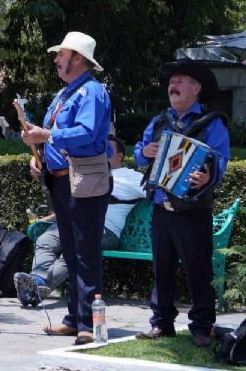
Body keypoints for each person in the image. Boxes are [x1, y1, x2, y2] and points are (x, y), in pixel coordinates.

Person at [21, 31, 112, 345]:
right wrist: (39, 158)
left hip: (85, 179)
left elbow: (86, 133)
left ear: (78, 58)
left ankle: (88, 323)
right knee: (72, 253)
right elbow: (54, 135)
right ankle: (74, 319)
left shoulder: (92, 92)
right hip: (62, 180)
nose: (56, 60)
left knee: (86, 253)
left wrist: (45, 137)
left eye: (61, 54)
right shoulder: (65, 94)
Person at [134, 60, 229, 348]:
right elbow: (138, 153)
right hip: (161, 208)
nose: (172, 85)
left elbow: (220, 160)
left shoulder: (211, 123)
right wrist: (145, 151)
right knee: (161, 270)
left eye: (180, 81)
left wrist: (208, 175)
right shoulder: (159, 121)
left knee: (198, 271)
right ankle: (162, 323)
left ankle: (202, 326)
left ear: (196, 88)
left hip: (193, 210)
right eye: (171, 81)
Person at [14, 135, 145, 306]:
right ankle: (37, 280)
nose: (101, 152)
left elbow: (155, 192)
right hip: (74, 223)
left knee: (74, 251)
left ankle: (36, 287)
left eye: (107, 149)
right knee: (45, 240)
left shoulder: (130, 177)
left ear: (119, 156)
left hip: (105, 230)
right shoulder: (86, 173)